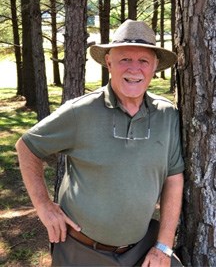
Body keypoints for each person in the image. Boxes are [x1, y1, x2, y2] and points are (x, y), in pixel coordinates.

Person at [16, 19, 184, 266]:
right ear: (109, 62)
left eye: (143, 61)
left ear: (155, 66)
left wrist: (163, 245)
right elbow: (27, 147)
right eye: (125, 59)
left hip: (142, 251)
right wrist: (43, 205)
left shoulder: (167, 115)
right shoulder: (80, 112)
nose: (134, 69)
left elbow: (173, 179)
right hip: (81, 251)